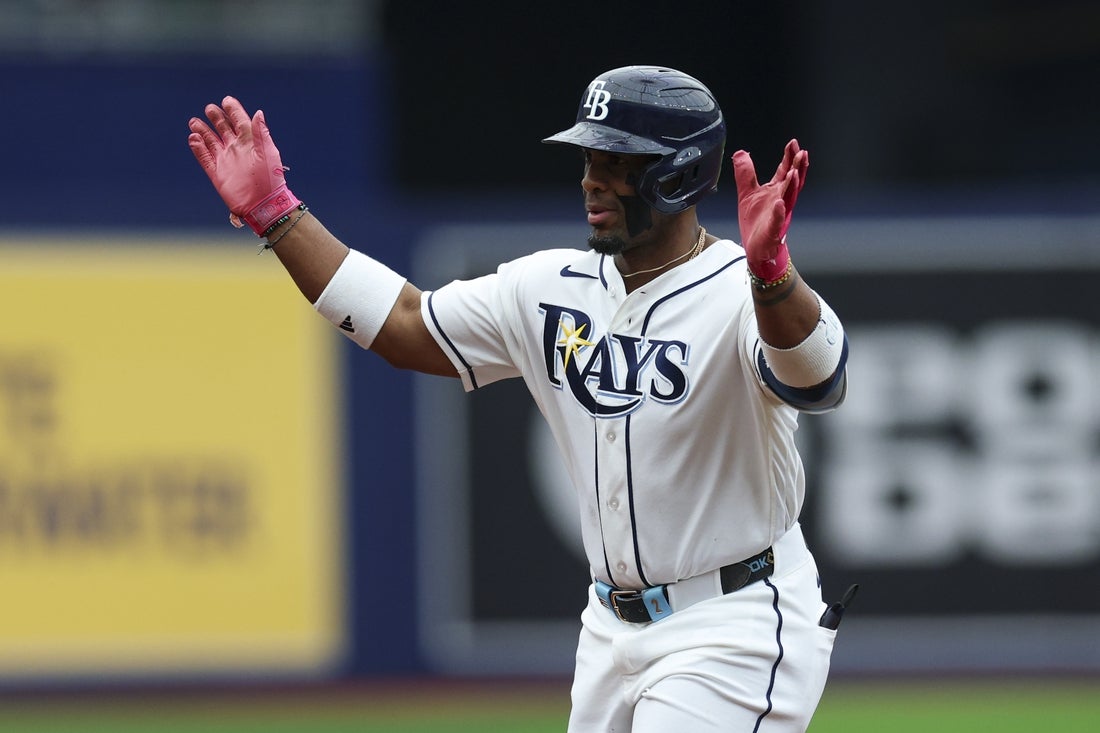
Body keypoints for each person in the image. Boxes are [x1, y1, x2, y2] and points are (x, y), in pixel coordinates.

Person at [188, 64, 850, 733]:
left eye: (616, 162)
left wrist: (773, 277)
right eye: (588, 158)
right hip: (610, 628)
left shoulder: (738, 293)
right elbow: (405, 326)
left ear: (676, 174)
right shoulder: (548, 287)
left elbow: (820, 380)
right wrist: (278, 214)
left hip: (734, 621)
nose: (591, 179)